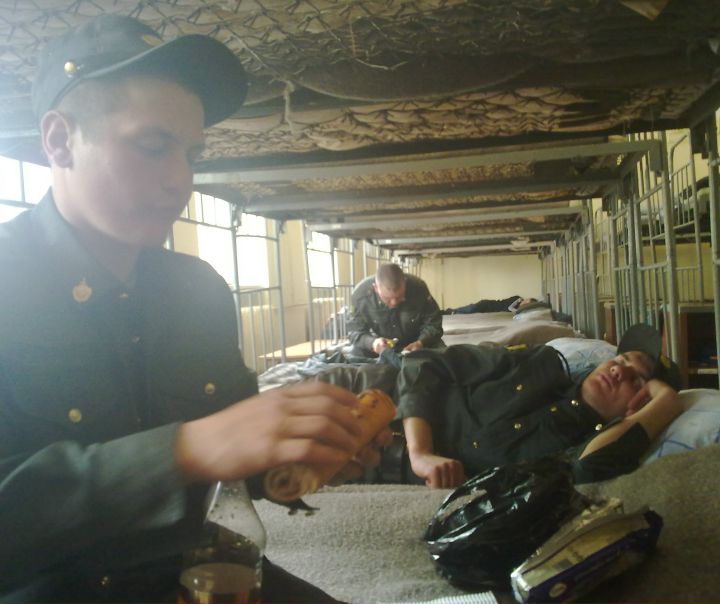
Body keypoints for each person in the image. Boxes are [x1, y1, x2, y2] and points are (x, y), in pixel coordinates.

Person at [0, 15, 389, 604]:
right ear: (59, 140)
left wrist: (298, 456)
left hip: (202, 570)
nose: (180, 181)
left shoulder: (196, 289)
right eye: (153, 147)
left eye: (191, 153)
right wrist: (184, 449)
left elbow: (229, 462)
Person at [397, 323, 683, 488]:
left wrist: (666, 403)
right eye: (620, 360)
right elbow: (421, 362)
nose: (618, 371)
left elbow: (587, 470)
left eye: (636, 380)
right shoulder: (536, 364)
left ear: (639, 406)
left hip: (389, 468)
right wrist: (420, 452)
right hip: (385, 396)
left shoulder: (581, 448)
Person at [347, 263, 444, 357]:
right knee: (356, 354)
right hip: (381, 346)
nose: (393, 303)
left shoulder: (418, 288)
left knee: (444, 355)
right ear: (376, 288)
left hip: (416, 342)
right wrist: (372, 342)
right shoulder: (361, 295)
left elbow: (434, 323)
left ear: (405, 284)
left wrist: (420, 343)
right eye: (387, 299)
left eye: (399, 297)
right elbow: (354, 331)